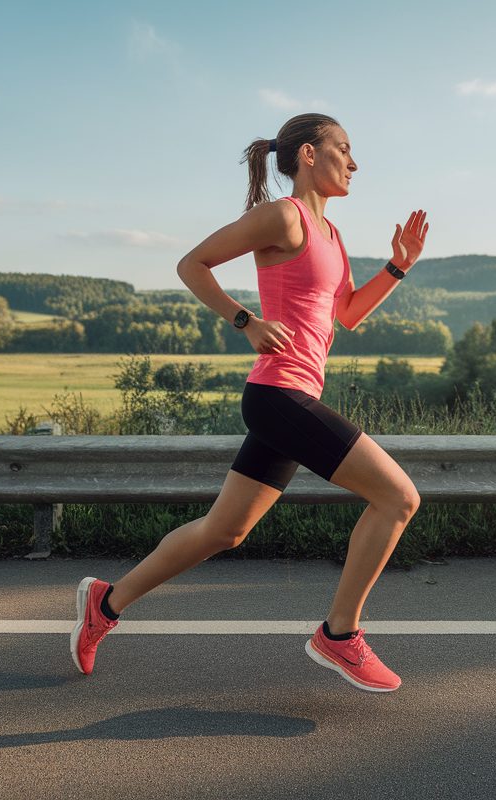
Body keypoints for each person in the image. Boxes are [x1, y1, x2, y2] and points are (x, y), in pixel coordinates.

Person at [70, 112, 429, 692]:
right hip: (276, 393)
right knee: (398, 497)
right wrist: (245, 320)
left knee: (224, 531)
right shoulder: (280, 217)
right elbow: (192, 264)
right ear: (308, 155)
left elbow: (348, 315)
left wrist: (397, 268)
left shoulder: (333, 236)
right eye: (345, 149)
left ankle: (106, 604)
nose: (355, 163)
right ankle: (339, 636)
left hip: (293, 396)